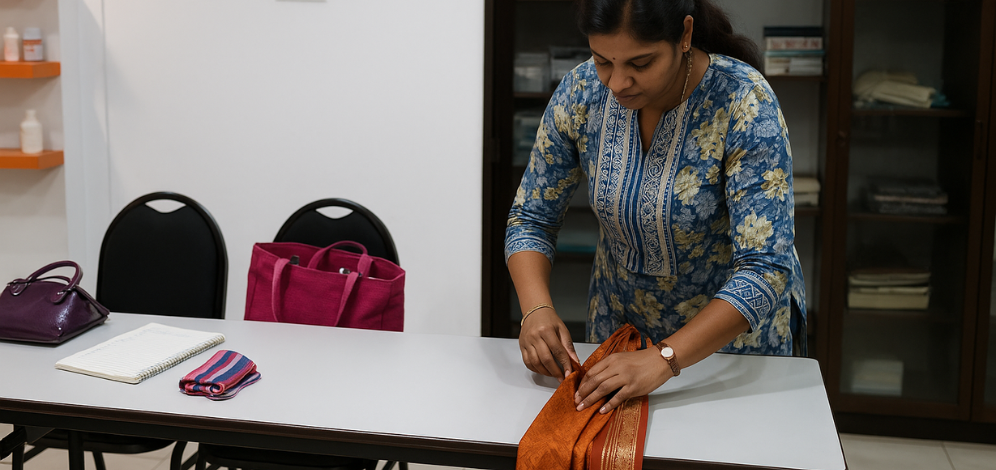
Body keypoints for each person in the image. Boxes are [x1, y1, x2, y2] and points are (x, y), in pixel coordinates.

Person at [505, 0, 807, 416]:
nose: (617, 82)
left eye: (640, 63)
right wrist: (536, 310)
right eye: (602, 60)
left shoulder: (742, 101)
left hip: (729, 350)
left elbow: (766, 268)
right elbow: (531, 217)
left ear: (684, 35)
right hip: (618, 338)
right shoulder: (582, 92)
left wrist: (665, 358)